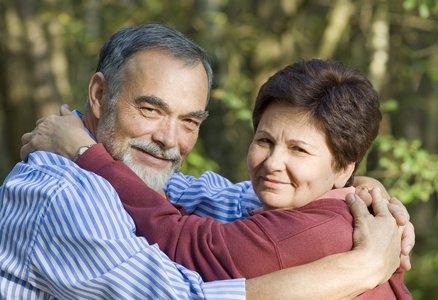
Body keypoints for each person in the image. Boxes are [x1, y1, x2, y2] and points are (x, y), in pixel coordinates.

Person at [2, 24, 411, 299]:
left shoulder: (142, 175)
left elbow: (238, 200)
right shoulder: (58, 194)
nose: (168, 139)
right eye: (150, 110)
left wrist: (357, 188)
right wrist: (363, 266)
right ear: (98, 96)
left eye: (189, 121)